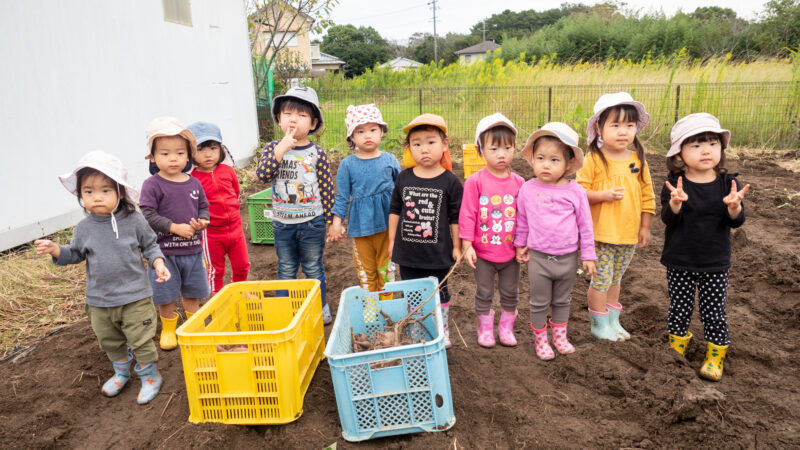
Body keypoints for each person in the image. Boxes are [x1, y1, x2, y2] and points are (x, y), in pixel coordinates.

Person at [34, 151, 169, 404]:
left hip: (135, 297)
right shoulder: (84, 228)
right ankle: (121, 372)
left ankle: (150, 376)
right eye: (88, 191)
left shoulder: (134, 221)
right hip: (99, 300)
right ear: (81, 195)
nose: (97, 197)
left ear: (120, 192)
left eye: (105, 190)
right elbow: (74, 254)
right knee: (110, 340)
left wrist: (158, 263)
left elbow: (151, 246)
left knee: (141, 340)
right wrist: (56, 250)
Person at [661, 113, 749, 381]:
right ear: (679, 154)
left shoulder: (727, 183)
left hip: (715, 262)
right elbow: (668, 220)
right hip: (680, 260)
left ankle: (715, 355)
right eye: (696, 145)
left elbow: (735, 223)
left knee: (713, 311)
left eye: (712, 143)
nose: (706, 150)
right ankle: (676, 349)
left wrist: (735, 207)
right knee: (679, 307)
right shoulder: (675, 184)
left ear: (721, 148)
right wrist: (675, 203)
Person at [576, 92, 655, 341]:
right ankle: (598, 324)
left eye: (629, 125)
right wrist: (603, 195)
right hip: (600, 235)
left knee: (616, 279)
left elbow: (647, 196)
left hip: (628, 235)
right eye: (616, 125)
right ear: (599, 128)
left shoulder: (637, 159)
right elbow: (578, 193)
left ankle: (612, 321)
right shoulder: (594, 159)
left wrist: (645, 228)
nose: (623, 132)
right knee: (601, 280)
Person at [515, 123, 597, 360]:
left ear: (569, 163)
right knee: (539, 301)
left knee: (562, 300)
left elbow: (585, 226)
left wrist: (588, 256)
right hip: (539, 258)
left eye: (554, 160)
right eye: (540, 158)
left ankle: (559, 337)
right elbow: (522, 220)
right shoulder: (527, 189)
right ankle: (541, 341)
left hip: (568, 259)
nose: (545, 165)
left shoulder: (575, 192)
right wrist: (520, 244)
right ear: (532, 158)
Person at [256, 87, 335, 324]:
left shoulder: (317, 153)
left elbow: (327, 189)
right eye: (288, 113)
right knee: (287, 269)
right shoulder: (272, 149)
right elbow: (263, 175)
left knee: (313, 267)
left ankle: (320, 306)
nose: (293, 119)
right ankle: (285, 310)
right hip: (283, 223)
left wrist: (331, 221)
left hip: (313, 221)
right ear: (279, 119)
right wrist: (282, 148)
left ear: (312, 124)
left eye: (301, 115)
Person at [389, 113, 463, 348]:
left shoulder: (450, 181)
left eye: (431, 142)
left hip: (438, 254)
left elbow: (455, 217)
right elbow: (395, 211)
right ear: (409, 148)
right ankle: (415, 329)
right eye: (416, 144)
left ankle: (442, 329)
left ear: (444, 144)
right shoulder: (404, 178)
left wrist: (457, 246)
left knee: (439, 292)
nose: (424, 149)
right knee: (411, 292)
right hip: (408, 252)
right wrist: (392, 242)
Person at [139, 117, 211, 350]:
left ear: (188, 155)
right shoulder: (152, 185)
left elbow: (203, 207)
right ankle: (169, 329)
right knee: (165, 292)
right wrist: (173, 227)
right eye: (165, 153)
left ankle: (194, 327)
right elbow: (147, 214)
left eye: (180, 153)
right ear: (153, 156)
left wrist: (202, 221)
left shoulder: (194, 183)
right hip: (163, 253)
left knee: (193, 290)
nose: (173, 158)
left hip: (192, 249)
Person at [458, 113, 525, 348]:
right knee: (484, 292)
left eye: (507, 148)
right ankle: (485, 328)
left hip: (510, 253)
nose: (501, 154)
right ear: (480, 151)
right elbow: (467, 214)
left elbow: (524, 218)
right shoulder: (475, 181)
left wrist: (523, 244)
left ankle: (506, 328)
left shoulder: (519, 183)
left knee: (510, 293)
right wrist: (467, 245)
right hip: (483, 253)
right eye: (494, 148)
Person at [328, 104, 401, 297]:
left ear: (381, 133)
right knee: (366, 272)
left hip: (387, 226)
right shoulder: (347, 165)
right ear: (352, 137)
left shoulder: (390, 160)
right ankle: (371, 312)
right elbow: (342, 196)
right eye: (360, 131)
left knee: (386, 271)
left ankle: (387, 310)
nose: (367, 135)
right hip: (361, 228)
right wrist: (336, 223)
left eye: (373, 130)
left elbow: (401, 192)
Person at [188, 121, 250, 295]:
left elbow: (235, 192)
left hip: (235, 228)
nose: (208, 154)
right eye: (200, 149)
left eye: (213, 148)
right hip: (212, 233)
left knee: (243, 266)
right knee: (215, 270)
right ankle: (219, 301)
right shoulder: (193, 179)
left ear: (221, 149)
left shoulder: (228, 171)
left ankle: (239, 292)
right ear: (191, 153)